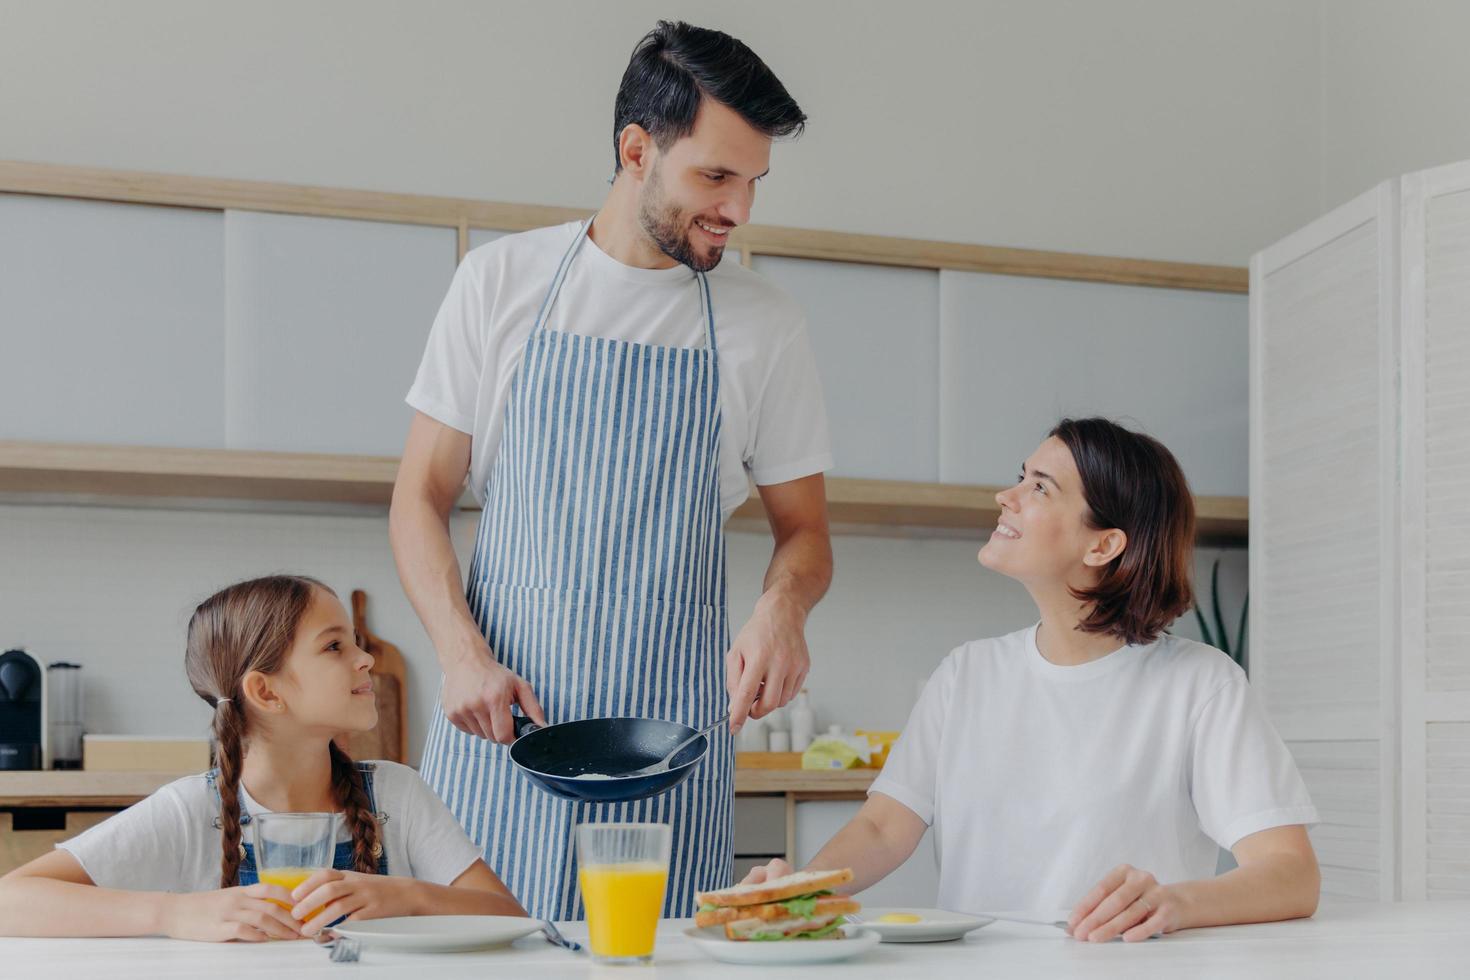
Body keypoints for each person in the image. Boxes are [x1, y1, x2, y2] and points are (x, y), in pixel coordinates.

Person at [392, 21, 832, 919]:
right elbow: (418, 500)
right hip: (501, 737)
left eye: (753, 182)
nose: (739, 210)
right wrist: (458, 651)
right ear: (637, 150)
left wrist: (783, 608)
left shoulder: (765, 323)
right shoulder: (499, 281)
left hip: (667, 759)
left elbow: (807, 534)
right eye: (715, 176)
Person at [743, 419, 1321, 942]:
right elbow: (882, 829)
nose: (1006, 496)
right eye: (1021, 477)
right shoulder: (965, 674)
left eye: (1040, 487)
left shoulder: (1201, 685)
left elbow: (1291, 875)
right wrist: (801, 890)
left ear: (1103, 544)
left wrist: (1174, 903)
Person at [0, 575, 524, 941]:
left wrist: (407, 897)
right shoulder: (190, 810)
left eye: (356, 641)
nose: (366, 659)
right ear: (266, 692)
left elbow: (509, 917)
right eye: (335, 647)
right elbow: (10, 900)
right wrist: (173, 913)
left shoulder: (397, 794)